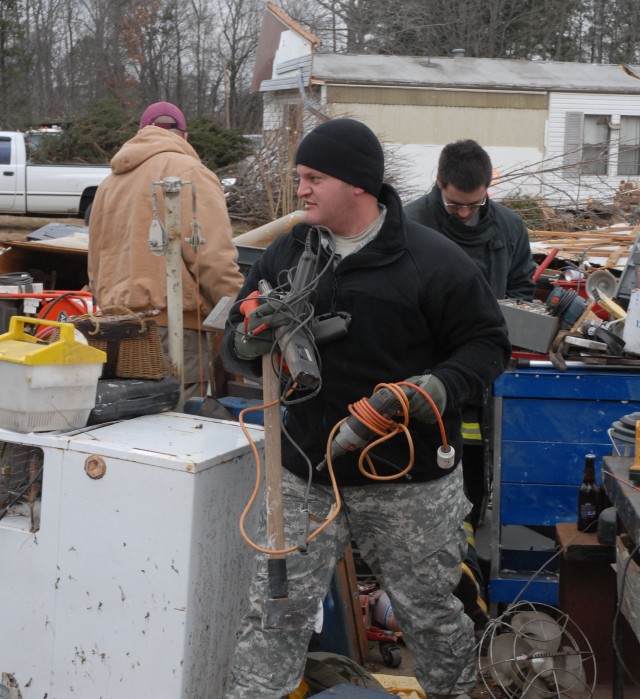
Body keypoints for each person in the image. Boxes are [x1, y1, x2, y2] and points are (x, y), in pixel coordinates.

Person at [221, 119, 511, 698]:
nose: (300, 189)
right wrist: (247, 341)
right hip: (304, 473)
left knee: (431, 616)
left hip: (408, 480)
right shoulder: (287, 253)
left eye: (313, 178)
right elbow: (234, 341)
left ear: (357, 184)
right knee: (274, 616)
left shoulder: (433, 260)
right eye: (299, 176)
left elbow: (487, 345)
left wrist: (431, 389)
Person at [404, 139, 536, 614]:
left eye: (474, 204)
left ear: (489, 186)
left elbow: (523, 289)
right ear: (439, 183)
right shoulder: (408, 224)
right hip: (423, 379)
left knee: (474, 474)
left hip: (482, 380)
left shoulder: (509, 228)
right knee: (421, 479)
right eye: (455, 204)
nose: (464, 214)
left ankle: (467, 575)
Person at [88, 101, 244, 400]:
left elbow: (95, 261)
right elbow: (211, 258)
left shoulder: (109, 183)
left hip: (115, 330)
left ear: (140, 134)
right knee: (177, 428)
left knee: (130, 425)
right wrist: (240, 310)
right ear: (184, 136)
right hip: (173, 330)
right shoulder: (191, 173)